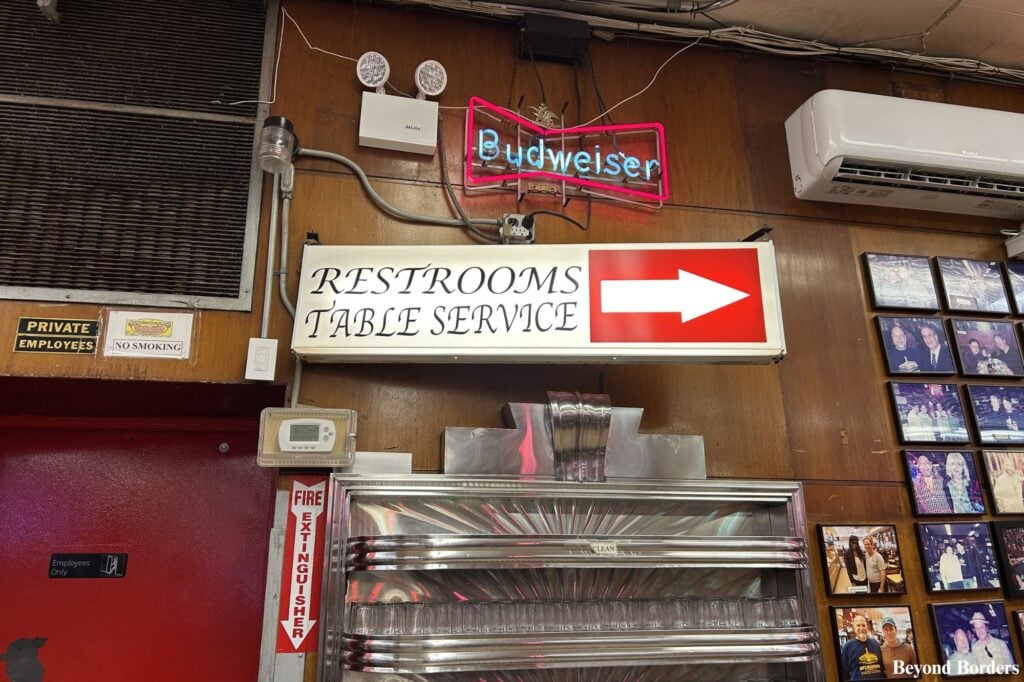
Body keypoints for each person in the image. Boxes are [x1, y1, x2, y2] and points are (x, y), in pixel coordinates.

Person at [840, 614, 885, 679]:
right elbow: (844, 673)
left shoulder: (876, 644)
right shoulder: (847, 647)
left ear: (867, 627)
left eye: (863, 625)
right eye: (858, 625)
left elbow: (882, 666)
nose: (861, 628)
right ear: (854, 628)